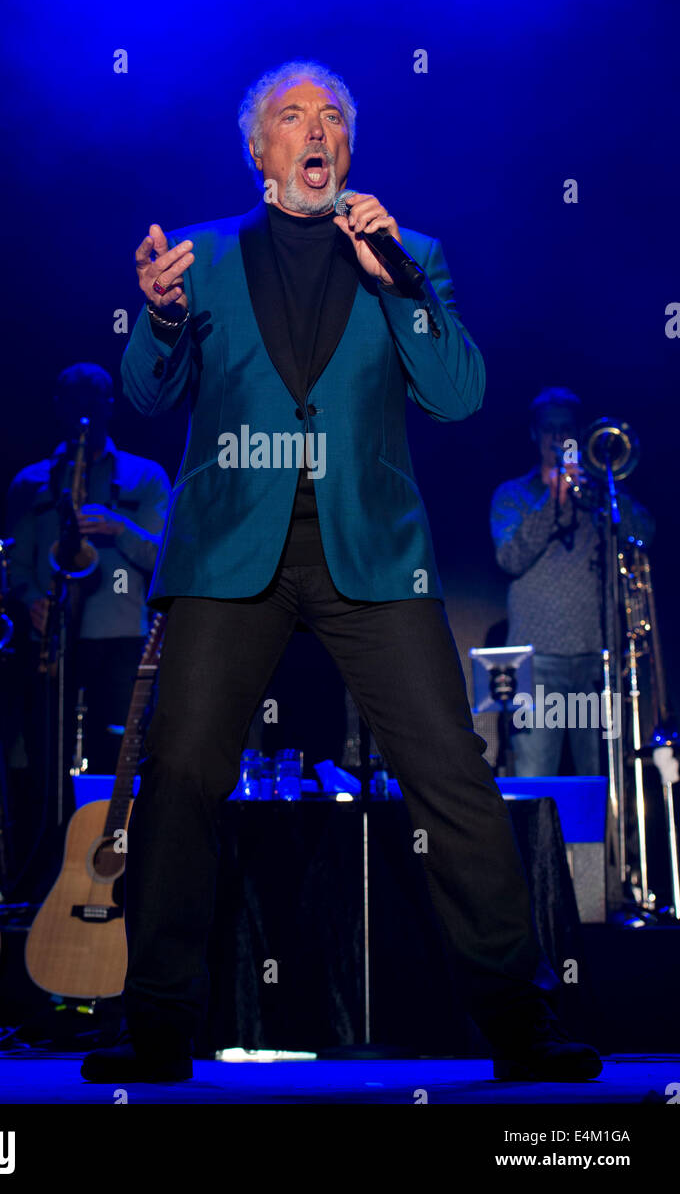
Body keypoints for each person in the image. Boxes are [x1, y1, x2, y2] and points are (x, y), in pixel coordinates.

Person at [82, 61, 601, 1083]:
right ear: (259, 150)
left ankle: (519, 1020)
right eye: (293, 117)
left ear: (347, 152)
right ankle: (156, 1021)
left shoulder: (411, 254)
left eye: (333, 120)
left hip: (373, 558)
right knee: (182, 774)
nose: (315, 131)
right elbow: (146, 394)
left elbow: (457, 392)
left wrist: (397, 280)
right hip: (234, 554)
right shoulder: (205, 256)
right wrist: (163, 314)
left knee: (451, 773)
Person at [7, 363, 170, 784]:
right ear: (58, 408)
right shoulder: (30, 482)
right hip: (52, 638)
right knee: (45, 758)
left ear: (109, 407)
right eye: (74, 405)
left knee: (117, 761)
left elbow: (167, 560)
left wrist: (121, 528)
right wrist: (29, 602)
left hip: (121, 636)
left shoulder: (146, 475)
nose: (84, 416)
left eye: (92, 406)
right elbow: (17, 565)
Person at [490, 387, 654, 776]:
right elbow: (510, 558)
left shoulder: (600, 494)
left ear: (580, 434)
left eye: (566, 428)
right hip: (535, 661)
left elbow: (645, 534)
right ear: (534, 434)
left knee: (601, 781)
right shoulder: (513, 495)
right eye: (548, 429)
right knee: (535, 779)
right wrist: (553, 501)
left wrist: (604, 491)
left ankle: (599, 843)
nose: (557, 437)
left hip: (598, 659)